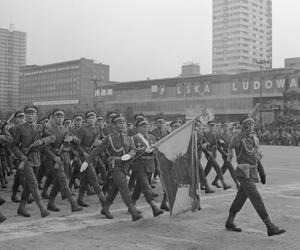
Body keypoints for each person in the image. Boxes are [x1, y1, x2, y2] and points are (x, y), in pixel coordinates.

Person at [225, 114, 286, 236]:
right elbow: (232, 144)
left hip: (252, 171)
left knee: (240, 198)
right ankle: (270, 226)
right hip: (243, 171)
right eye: (249, 124)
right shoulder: (238, 138)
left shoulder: (254, 138)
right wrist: (242, 131)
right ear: (244, 126)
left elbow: (256, 156)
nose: (252, 126)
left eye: (253, 124)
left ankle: (229, 221)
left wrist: (261, 171)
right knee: (256, 198)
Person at [83, 114, 142, 221]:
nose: (123, 125)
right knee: (124, 187)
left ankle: (105, 207)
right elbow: (97, 150)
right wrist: (87, 161)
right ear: (114, 125)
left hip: (125, 166)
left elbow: (133, 149)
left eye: (123, 122)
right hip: (115, 166)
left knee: (115, 188)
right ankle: (133, 210)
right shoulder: (109, 138)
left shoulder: (128, 138)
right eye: (120, 123)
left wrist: (129, 155)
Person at [12, 105, 54, 218]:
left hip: (37, 159)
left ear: (36, 115)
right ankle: (42, 209)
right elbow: (14, 146)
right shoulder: (20, 128)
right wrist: (21, 156)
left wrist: (42, 141)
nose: (30, 116)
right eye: (28, 114)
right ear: (25, 115)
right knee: (34, 184)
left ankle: (21, 207)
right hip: (26, 160)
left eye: (32, 114)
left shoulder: (41, 127)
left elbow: (52, 137)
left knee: (29, 186)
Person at [42, 109, 83, 213]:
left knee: (58, 183)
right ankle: (73, 204)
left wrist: (72, 139)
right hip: (52, 159)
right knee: (63, 180)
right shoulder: (48, 129)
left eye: (61, 116)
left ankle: (51, 203)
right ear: (53, 117)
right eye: (58, 116)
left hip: (63, 159)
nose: (60, 118)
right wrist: (54, 157)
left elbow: (77, 141)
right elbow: (44, 148)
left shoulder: (65, 129)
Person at [131, 119, 164, 217]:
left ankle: (131, 205)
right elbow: (133, 151)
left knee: (139, 187)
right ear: (138, 128)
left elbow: (157, 149)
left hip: (150, 164)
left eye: (146, 126)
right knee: (145, 185)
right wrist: (144, 150)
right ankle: (154, 207)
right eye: (142, 126)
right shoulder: (134, 138)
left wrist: (153, 150)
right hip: (139, 164)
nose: (145, 128)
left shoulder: (151, 137)